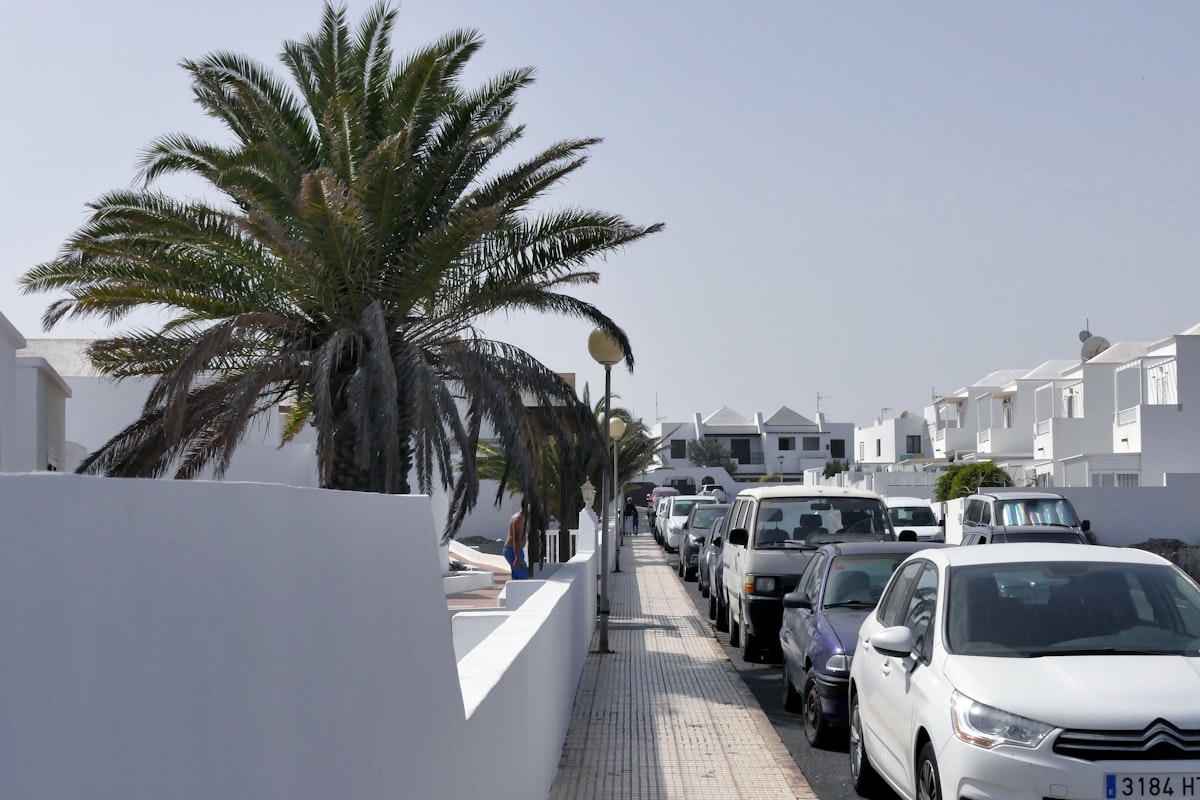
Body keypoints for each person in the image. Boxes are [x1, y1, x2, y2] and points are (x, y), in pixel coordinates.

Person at [504, 501, 529, 580]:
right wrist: (517, 557)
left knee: (517, 577)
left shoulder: (523, 518)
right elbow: (516, 539)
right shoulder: (518, 519)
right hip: (513, 551)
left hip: (517, 550)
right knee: (523, 575)